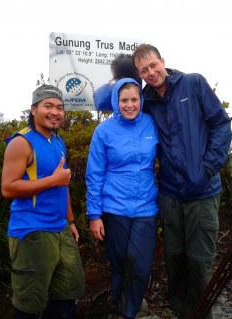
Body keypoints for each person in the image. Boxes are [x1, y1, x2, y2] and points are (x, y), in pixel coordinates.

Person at [132, 44, 232, 319]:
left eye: (153, 65)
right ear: (140, 75)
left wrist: (209, 167)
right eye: (144, 70)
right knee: (175, 259)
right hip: (170, 192)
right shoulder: (146, 100)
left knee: (200, 261)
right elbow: (123, 111)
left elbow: (221, 124)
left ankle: (202, 313)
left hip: (202, 191)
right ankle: (180, 310)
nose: (151, 73)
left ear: (163, 61)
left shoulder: (193, 83)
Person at [1, 85, 84, 319]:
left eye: (59, 107)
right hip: (32, 232)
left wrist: (71, 221)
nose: (55, 112)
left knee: (66, 296)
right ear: (33, 109)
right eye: (48, 106)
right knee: (29, 305)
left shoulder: (58, 141)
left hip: (60, 230)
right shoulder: (22, 142)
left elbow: (62, 185)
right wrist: (53, 180)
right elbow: (8, 188)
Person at [86, 78, 159, 319]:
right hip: (114, 207)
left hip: (146, 206)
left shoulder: (150, 124)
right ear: (116, 102)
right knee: (119, 263)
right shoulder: (103, 131)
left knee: (140, 265)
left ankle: (128, 312)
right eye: (124, 100)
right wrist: (94, 214)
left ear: (141, 101)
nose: (129, 105)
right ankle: (117, 305)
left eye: (134, 100)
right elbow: (94, 174)